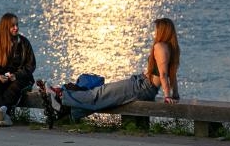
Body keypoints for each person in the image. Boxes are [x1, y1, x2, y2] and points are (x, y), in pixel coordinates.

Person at [47, 17, 181, 121]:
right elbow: (172, 76)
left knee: (100, 94)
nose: (155, 32)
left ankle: (60, 95)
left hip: (143, 87)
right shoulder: (172, 48)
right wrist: (175, 94)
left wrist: (168, 96)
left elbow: (163, 74)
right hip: (143, 85)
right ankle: (67, 111)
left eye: (157, 29)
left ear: (162, 31)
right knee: (105, 97)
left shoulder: (160, 46)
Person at [0, 12, 37, 127]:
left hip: (22, 78)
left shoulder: (24, 43)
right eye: (12, 26)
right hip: (3, 78)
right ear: (5, 28)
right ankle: (6, 117)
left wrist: (16, 75)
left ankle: (3, 112)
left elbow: (31, 65)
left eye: (17, 25)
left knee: (14, 86)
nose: (16, 28)